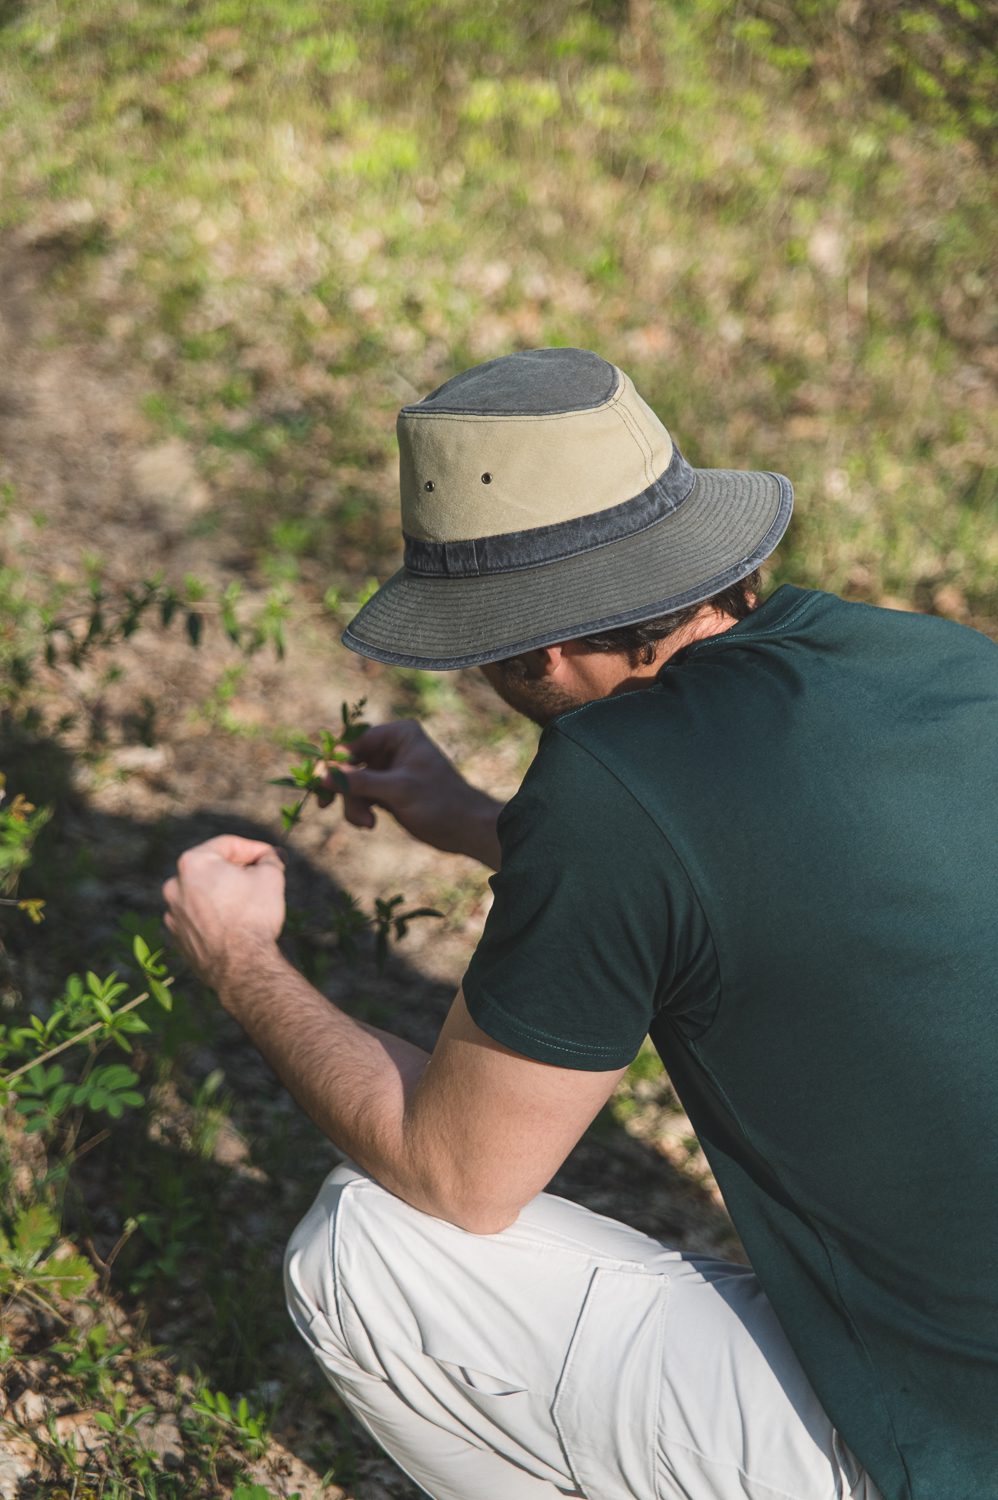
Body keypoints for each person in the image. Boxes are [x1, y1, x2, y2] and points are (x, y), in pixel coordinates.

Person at [163, 348, 998, 1500]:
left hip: (941, 1456)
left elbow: (457, 1172)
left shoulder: (611, 783)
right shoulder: (944, 666)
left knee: (367, 1246)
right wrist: (466, 819)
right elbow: (750, 885)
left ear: (539, 646)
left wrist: (240, 960)